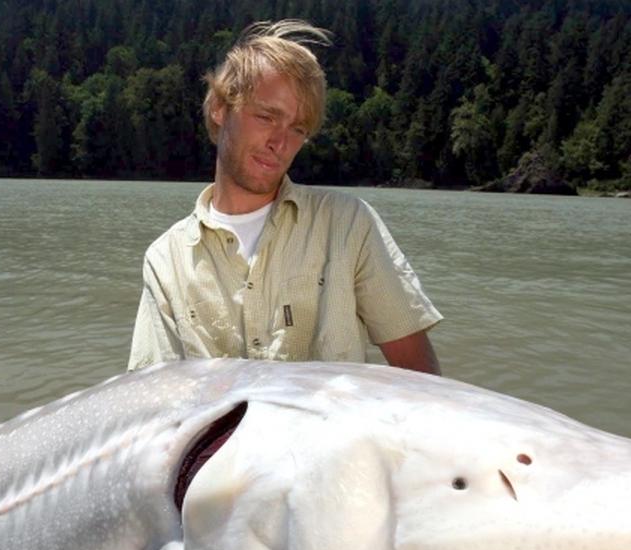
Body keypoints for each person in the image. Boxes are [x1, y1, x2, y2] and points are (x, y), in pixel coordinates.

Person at [128, 19, 442, 376]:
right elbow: (152, 395)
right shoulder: (165, 260)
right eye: (266, 117)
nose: (281, 143)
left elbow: (420, 375)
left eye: (298, 129)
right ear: (219, 107)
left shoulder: (349, 224)